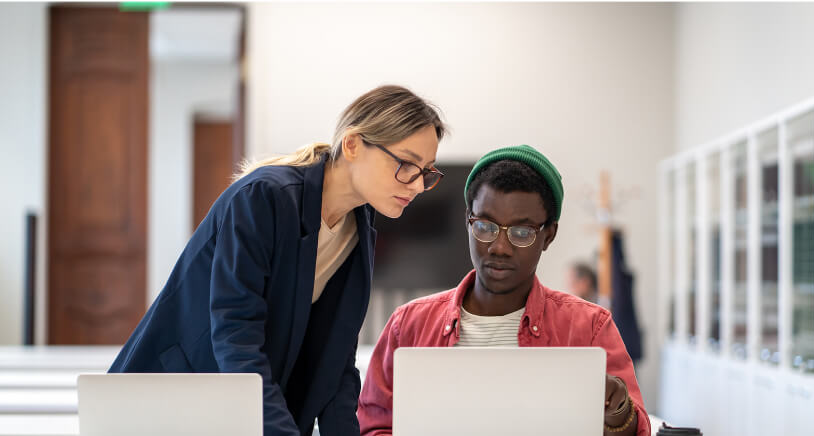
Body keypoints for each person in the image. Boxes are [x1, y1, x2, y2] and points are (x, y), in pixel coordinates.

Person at [109, 85, 447, 436]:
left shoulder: (358, 226)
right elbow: (236, 335)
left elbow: (336, 362)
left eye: (427, 172)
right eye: (406, 164)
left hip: (243, 406)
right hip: (178, 399)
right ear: (353, 145)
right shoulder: (264, 197)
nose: (418, 185)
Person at [358, 145, 649, 436]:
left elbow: (636, 430)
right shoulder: (407, 326)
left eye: (522, 233)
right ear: (467, 222)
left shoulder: (590, 328)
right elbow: (372, 427)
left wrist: (618, 412)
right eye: (485, 226)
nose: (499, 247)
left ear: (548, 235)